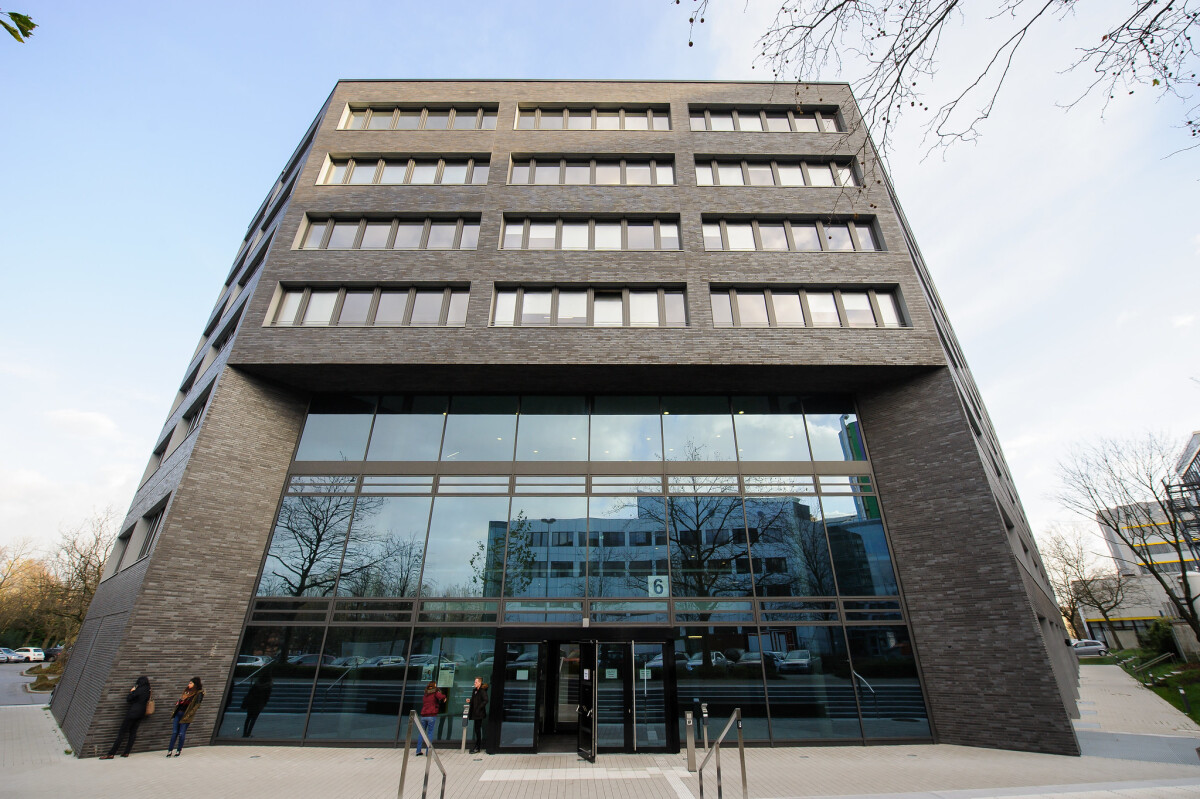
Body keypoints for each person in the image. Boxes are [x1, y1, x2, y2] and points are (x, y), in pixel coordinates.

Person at [99, 676, 151, 759]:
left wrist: (132, 691)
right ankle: (126, 752)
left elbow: (128, 699)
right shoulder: (148, 690)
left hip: (133, 713)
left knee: (122, 732)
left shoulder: (138, 690)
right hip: (141, 713)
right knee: (133, 733)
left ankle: (111, 753)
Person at [166, 677, 204, 756]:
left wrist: (189, 714)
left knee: (181, 733)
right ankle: (170, 750)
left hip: (186, 715)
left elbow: (197, 706)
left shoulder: (198, 693)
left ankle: (178, 750)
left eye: (191, 683)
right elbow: (181, 700)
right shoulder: (186, 691)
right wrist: (178, 703)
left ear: (195, 684)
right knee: (174, 732)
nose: (188, 685)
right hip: (178, 713)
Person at [414, 680, 445, 756]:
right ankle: (428, 751)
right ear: (434, 685)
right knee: (430, 733)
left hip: (424, 715)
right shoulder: (435, 692)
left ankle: (418, 750)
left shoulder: (426, 693)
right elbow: (441, 696)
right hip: (431, 715)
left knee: (422, 733)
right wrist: (444, 697)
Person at [240, 672, 272, 738]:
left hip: (252, 702)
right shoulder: (268, 686)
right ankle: (248, 733)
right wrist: (264, 704)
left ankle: (244, 733)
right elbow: (267, 697)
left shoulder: (256, 684)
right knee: (253, 719)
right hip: (259, 703)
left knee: (248, 718)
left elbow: (250, 693)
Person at [468, 677, 488, 754]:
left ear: (480, 683)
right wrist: (470, 701)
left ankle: (478, 747)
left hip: (479, 713)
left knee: (478, 729)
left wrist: (479, 707)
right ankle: (477, 746)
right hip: (475, 713)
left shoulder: (482, 691)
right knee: (477, 729)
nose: (474, 683)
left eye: (476, 682)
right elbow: (474, 700)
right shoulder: (475, 691)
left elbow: (485, 700)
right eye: (474, 682)